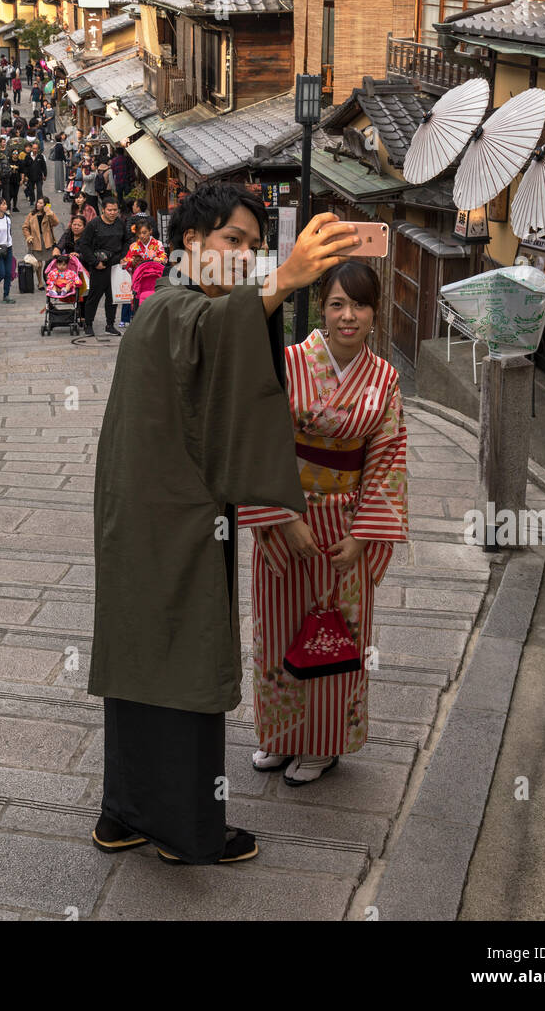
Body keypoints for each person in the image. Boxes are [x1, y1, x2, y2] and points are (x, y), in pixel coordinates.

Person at [88, 184, 361, 864]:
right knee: (185, 666)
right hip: (172, 527)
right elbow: (219, 330)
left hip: (146, 520)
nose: (243, 257)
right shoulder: (177, 310)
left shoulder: (174, 308)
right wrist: (286, 278)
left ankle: (122, 814)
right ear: (190, 244)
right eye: (231, 242)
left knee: (139, 664)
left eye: (252, 245)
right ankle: (185, 830)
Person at [243, 260, 408, 787]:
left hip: (347, 523)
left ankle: (323, 744)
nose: (348, 315)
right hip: (284, 518)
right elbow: (260, 438)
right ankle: (279, 735)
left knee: (339, 634)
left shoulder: (384, 379)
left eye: (359, 305)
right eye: (337, 303)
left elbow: (388, 456)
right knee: (278, 630)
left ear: (374, 313)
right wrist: (283, 517)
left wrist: (364, 536)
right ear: (321, 307)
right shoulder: (288, 362)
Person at [78, 194, 128, 338]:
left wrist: (124, 256)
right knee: (94, 297)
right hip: (99, 266)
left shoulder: (120, 223)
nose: (113, 213)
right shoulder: (94, 224)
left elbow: (126, 241)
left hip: (116, 266)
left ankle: (110, 325)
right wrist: (94, 262)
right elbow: (84, 245)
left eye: (115, 210)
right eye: (110, 210)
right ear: (103, 210)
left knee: (112, 298)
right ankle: (88, 324)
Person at [22, 196, 59, 290]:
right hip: (36, 241)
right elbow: (25, 227)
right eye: (38, 202)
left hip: (47, 240)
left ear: (45, 205)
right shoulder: (31, 214)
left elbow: (55, 223)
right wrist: (28, 236)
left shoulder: (49, 214)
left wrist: (49, 212)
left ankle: (49, 280)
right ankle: (40, 282)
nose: (38, 204)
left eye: (41, 203)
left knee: (49, 263)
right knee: (38, 264)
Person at [0, 197, 16, 304]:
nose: (5, 206)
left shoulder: (7, 218)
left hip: (8, 248)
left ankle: (6, 295)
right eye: (3, 204)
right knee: (1, 273)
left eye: (6, 204)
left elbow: (9, 232)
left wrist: (9, 243)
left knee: (8, 273)